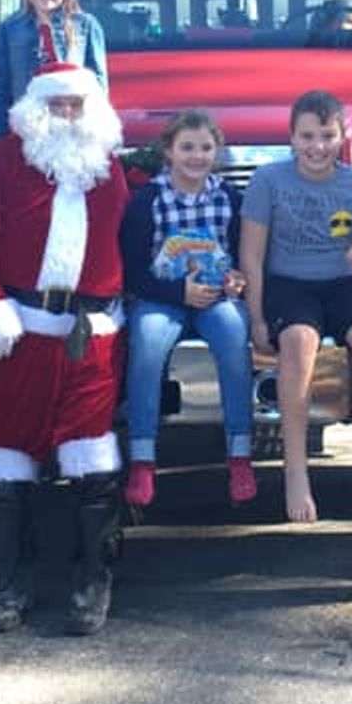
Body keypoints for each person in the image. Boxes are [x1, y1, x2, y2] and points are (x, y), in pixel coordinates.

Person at [0, 59, 132, 634]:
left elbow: (135, 236)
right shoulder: (0, 161)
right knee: (9, 452)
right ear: (36, 107)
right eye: (57, 104)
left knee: (92, 454)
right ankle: (9, 581)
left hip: (91, 335)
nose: (67, 114)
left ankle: (92, 579)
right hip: (17, 331)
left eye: (76, 105)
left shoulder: (109, 168)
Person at [240, 88, 352, 524]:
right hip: (288, 284)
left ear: (341, 137)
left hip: (340, 282)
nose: (317, 147)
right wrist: (255, 317)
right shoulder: (268, 181)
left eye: (327, 136)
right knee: (298, 341)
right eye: (307, 136)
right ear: (292, 138)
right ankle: (296, 474)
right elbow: (251, 255)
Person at [119, 109, 254, 508]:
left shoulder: (228, 198)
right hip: (163, 298)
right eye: (187, 147)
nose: (197, 156)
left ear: (218, 152)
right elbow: (133, 270)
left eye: (206, 148)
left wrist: (236, 281)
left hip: (216, 298)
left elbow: (242, 255)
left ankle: (240, 453)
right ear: (169, 151)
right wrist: (179, 293)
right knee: (145, 342)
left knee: (233, 335)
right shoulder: (148, 201)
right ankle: (143, 457)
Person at [0, 0, 108, 139]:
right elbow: (2, 91)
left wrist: (98, 134)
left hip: (72, 131)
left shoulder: (86, 25)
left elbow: (99, 87)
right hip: (27, 133)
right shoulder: (10, 29)